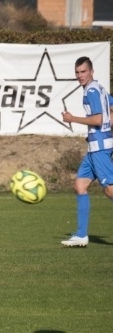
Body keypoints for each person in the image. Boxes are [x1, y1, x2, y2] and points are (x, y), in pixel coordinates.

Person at [60, 56, 113, 247]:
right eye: (77, 72)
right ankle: (82, 235)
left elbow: (98, 120)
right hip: (94, 148)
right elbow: (110, 108)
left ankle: (82, 234)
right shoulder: (99, 88)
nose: (80, 75)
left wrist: (72, 118)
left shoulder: (91, 90)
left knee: (110, 190)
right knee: (80, 186)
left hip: (99, 149)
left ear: (91, 72)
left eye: (83, 71)